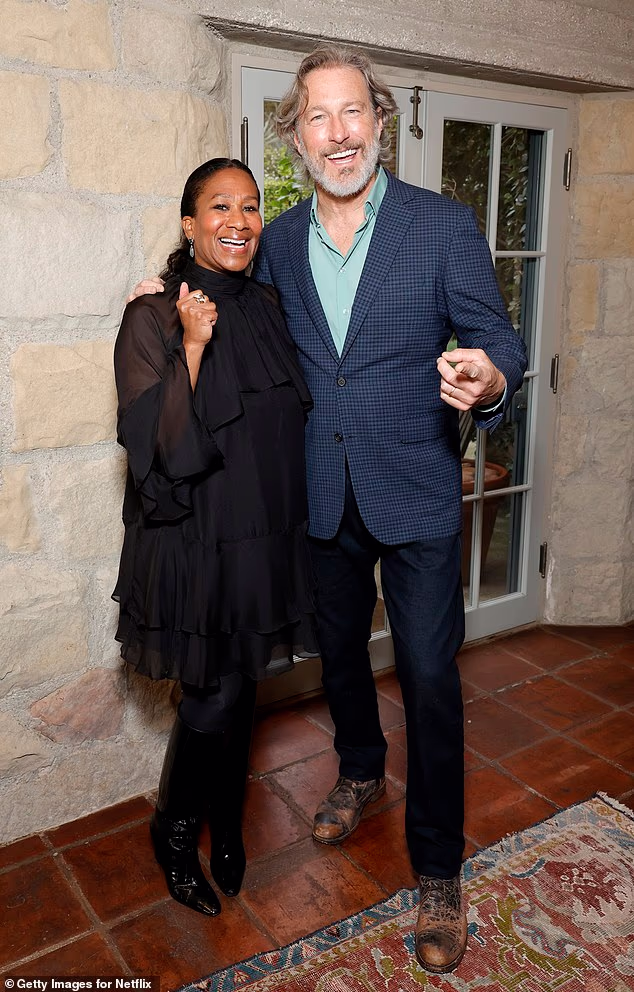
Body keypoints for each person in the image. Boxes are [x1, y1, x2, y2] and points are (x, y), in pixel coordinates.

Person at [128, 47, 527, 974]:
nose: (338, 133)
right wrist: (156, 292)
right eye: (318, 118)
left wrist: (490, 372)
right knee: (341, 656)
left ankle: (437, 870)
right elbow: (221, 291)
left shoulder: (443, 226)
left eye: (354, 114)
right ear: (296, 137)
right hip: (318, 495)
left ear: (380, 124)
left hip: (418, 488)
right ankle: (356, 770)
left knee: (429, 678)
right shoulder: (283, 243)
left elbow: (498, 333)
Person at [113, 157, 316, 918]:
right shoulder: (151, 316)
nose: (239, 219)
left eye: (251, 206)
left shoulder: (267, 304)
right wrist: (192, 345)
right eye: (219, 206)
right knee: (210, 697)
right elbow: (159, 447)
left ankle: (226, 825)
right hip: (196, 538)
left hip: (261, 533)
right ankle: (173, 832)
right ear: (189, 223)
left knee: (243, 692)